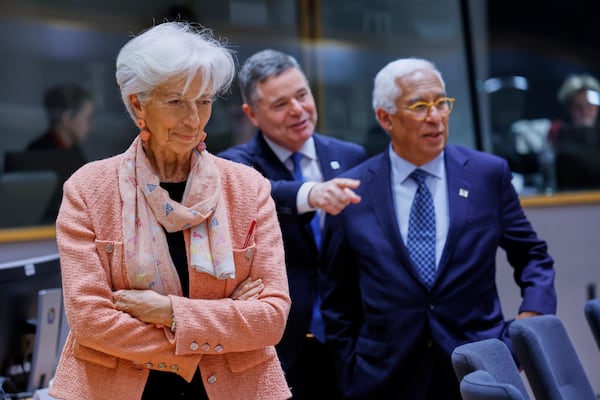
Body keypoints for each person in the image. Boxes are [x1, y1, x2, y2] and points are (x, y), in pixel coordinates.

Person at [48, 22, 292, 400]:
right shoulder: (88, 189)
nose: (193, 120)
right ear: (137, 104)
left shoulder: (248, 188)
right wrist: (221, 325)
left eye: (205, 101)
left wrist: (169, 312)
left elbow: (271, 319)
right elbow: (91, 321)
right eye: (177, 101)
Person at [318, 58, 557, 399]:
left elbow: (533, 256)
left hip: (480, 368)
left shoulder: (487, 175)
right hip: (383, 378)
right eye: (419, 106)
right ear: (385, 118)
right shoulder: (352, 189)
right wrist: (348, 368)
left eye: (441, 103)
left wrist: (528, 325)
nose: (435, 117)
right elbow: (335, 298)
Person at [218, 49, 368, 399]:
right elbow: (259, 191)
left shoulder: (350, 157)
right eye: (281, 104)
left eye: (302, 95)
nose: (298, 110)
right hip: (284, 344)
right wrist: (311, 193)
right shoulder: (237, 165)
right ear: (252, 114)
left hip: (352, 340)